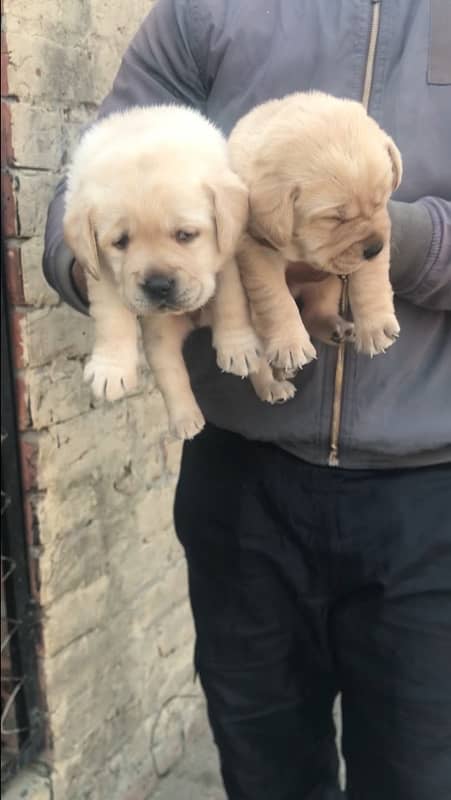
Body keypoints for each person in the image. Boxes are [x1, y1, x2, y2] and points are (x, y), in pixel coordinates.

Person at [44, 2, 451, 798]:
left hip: (431, 490)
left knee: (420, 775)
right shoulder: (204, 11)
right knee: (265, 773)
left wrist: (371, 238)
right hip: (243, 482)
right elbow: (84, 203)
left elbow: (380, 239)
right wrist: (135, 276)